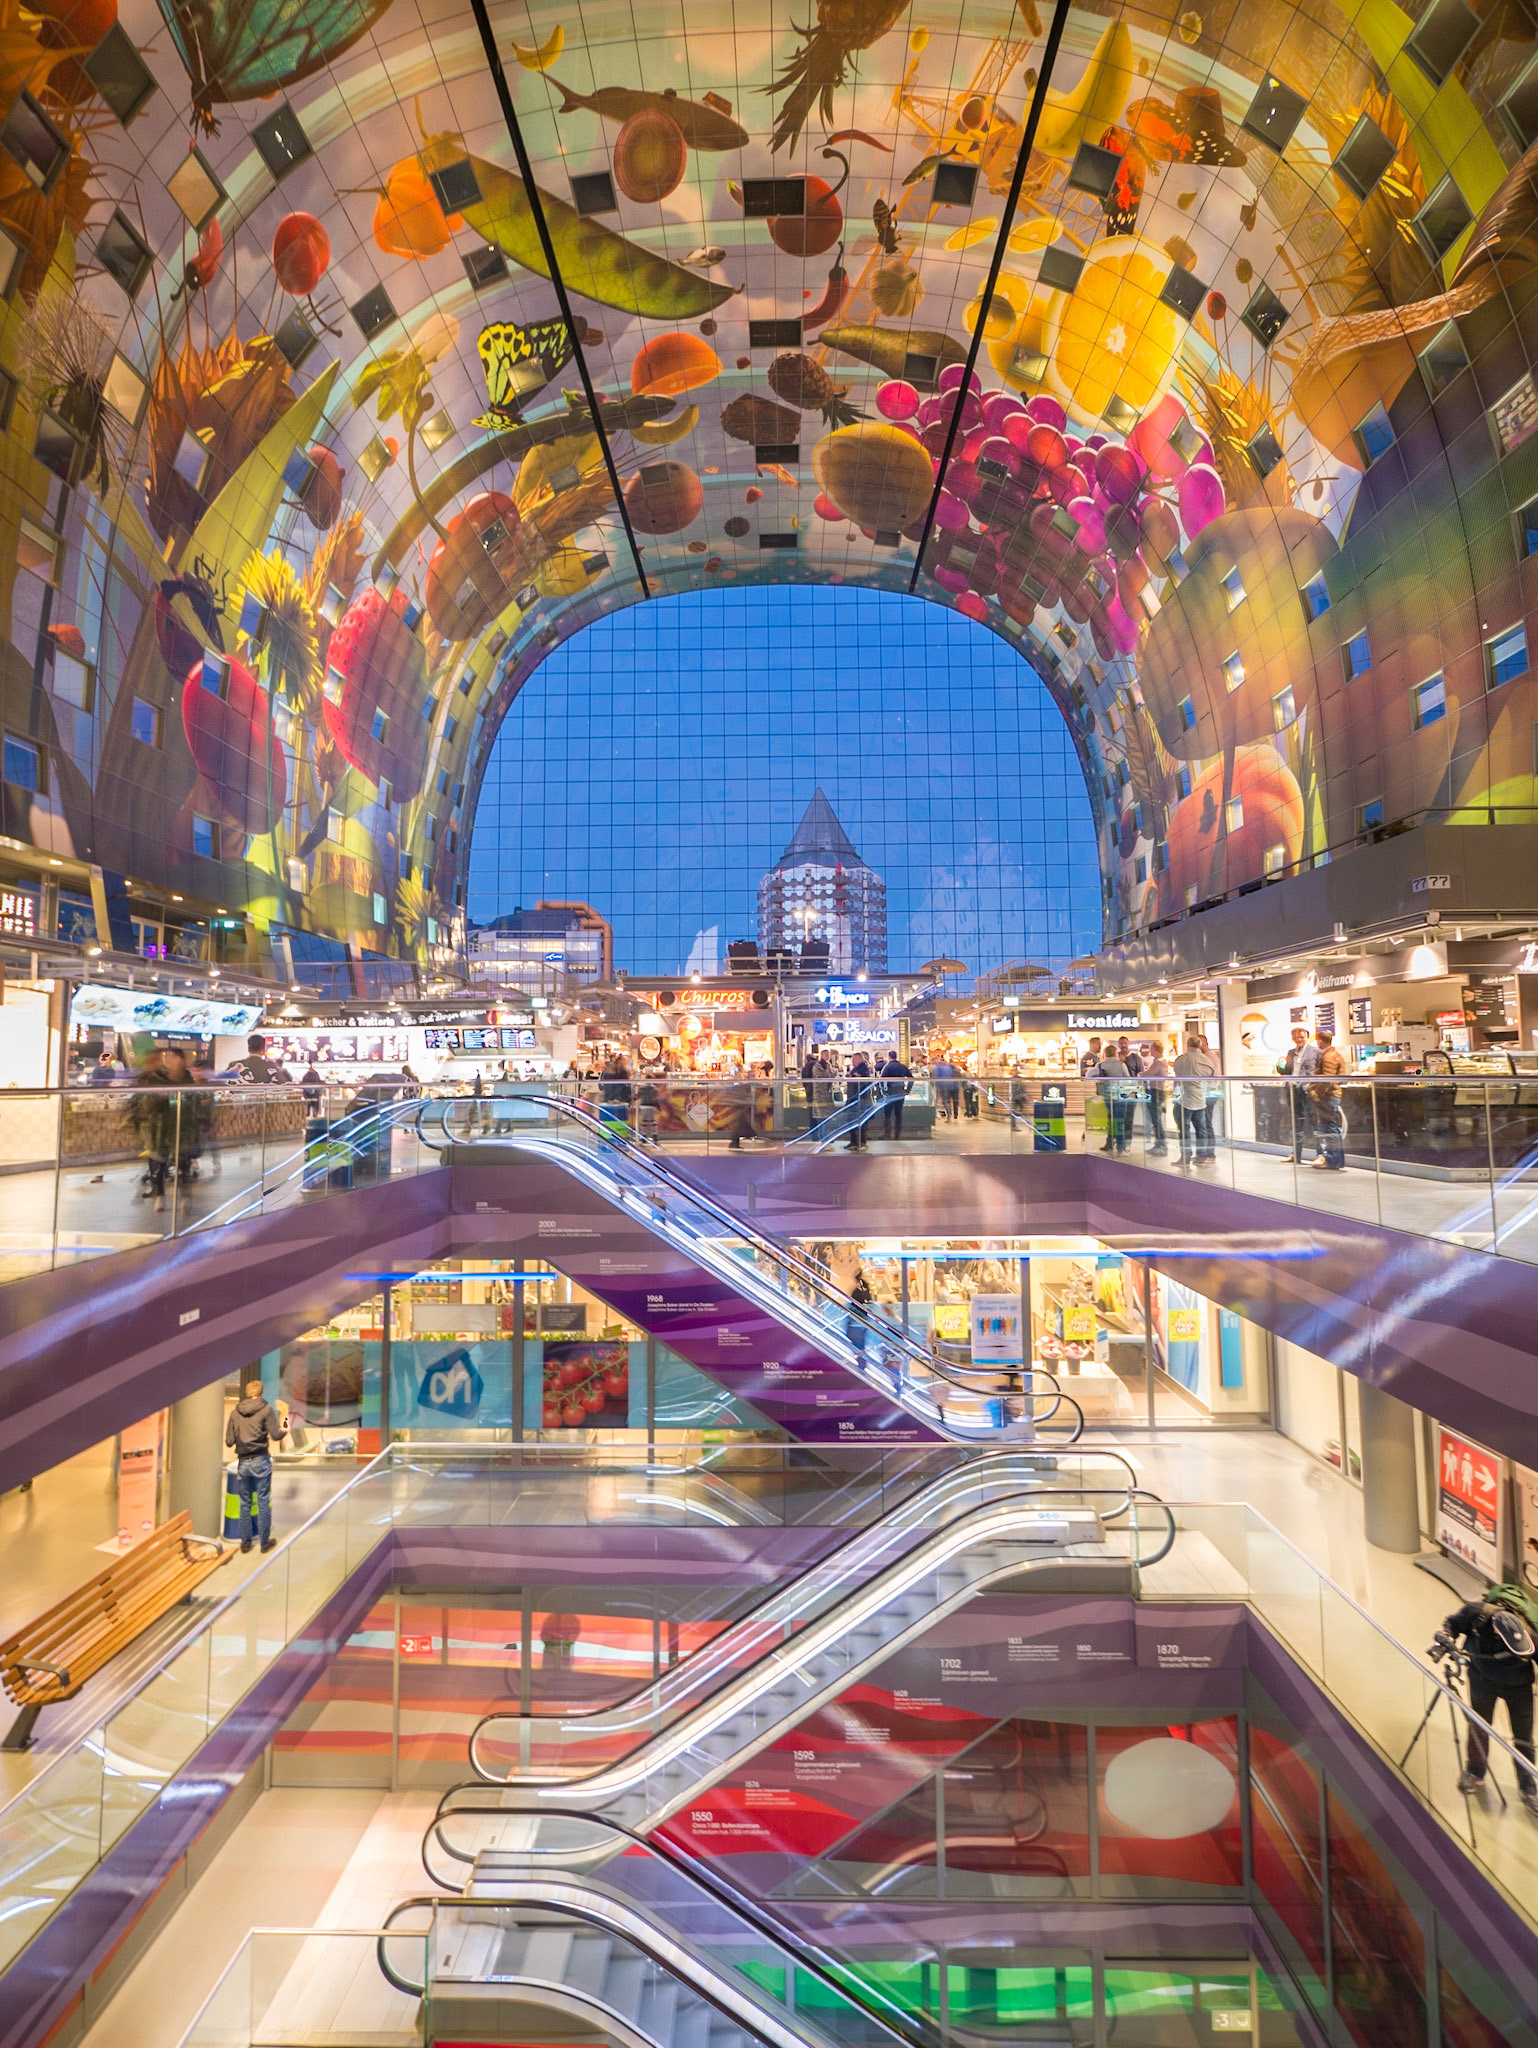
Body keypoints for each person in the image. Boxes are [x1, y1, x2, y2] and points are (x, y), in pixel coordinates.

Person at [1440, 1588, 1538, 1814]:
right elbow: (1452, 1624)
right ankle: (1475, 1771)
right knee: (1479, 1726)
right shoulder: (1476, 1613)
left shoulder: (1530, 1634)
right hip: (1481, 1677)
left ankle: (1528, 1787)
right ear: (1495, 1629)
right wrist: (1447, 1635)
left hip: (1519, 1687)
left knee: (1523, 1737)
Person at [225, 1379, 289, 1553]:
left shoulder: (234, 1413)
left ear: (247, 1393)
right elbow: (277, 1435)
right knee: (262, 1502)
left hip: (243, 1463)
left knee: (244, 1503)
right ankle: (264, 1543)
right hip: (261, 1461)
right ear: (260, 1393)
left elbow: (229, 1441)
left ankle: (245, 1543)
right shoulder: (266, 1410)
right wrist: (285, 1418)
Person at [1173, 1033, 1218, 1165]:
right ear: (1199, 1045)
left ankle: (1185, 1157)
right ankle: (1202, 1155)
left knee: (1184, 1129)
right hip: (1200, 1098)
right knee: (1202, 1129)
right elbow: (1212, 1075)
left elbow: (1177, 1075)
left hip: (1185, 1098)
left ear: (1188, 1045)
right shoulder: (1206, 1061)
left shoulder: (1181, 1060)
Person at [1308, 1030, 1348, 1170]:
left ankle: (1332, 1160)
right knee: (1331, 1128)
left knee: (1330, 1129)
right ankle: (1334, 1159)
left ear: (1320, 1041)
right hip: (1331, 1095)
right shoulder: (1334, 1055)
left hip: (1328, 1096)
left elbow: (1326, 1080)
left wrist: (1316, 1094)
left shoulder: (1328, 1057)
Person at [1280, 1026, 1315, 1163]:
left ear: (1307, 1037)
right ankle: (1296, 1154)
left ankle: (1320, 1155)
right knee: (1296, 1123)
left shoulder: (1314, 1052)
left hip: (1306, 1091)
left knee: (1313, 1123)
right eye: (1297, 1037)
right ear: (1293, 1038)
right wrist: (1280, 1066)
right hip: (1292, 1090)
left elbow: (1313, 1071)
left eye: (1302, 1036)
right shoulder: (1290, 1052)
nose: (1299, 1039)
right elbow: (1287, 1071)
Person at [1096, 1042, 1133, 1154]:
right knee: (1119, 1122)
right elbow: (1128, 1080)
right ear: (1115, 1053)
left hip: (1107, 1097)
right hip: (1120, 1097)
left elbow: (1091, 1076)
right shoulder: (1121, 1065)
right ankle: (1120, 1147)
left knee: (1111, 1120)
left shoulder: (1101, 1065)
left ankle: (1109, 1142)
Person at [877, 1051, 914, 1140]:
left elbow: (881, 1080)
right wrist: (907, 1090)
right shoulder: (903, 1066)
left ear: (889, 1057)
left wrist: (883, 1090)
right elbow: (911, 1079)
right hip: (900, 1091)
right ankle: (897, 1134)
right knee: (898, 1114)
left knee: (887, 1114)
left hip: (891, 1092)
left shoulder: (888, 1067)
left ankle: (887, 1134)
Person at [1142, 1043, 1170, 1155]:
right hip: (1157, 1092)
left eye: (1152, 1049)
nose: (1150, 1051)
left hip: (1156, 1092)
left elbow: (1147, 1074)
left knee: (1156, 1120)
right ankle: (1160, 1144)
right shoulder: (1160, 1062)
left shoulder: (1158, 1063)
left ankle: (1161, 1145)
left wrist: (1140, 1074)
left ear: (1157, 1050)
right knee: (1156, 1119)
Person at [844, 1052, 873, 1149]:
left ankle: (859, 1141)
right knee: (855, 1121)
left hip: (859, 1099)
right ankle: (856, 1141)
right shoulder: (860, 1069)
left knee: (857, 1121)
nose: (852, 1061)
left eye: (853, 1059)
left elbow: (862, 1083)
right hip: (856, 1099)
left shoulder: (862, 1069)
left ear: (858, 1059)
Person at [846, 1267, 875, 1353]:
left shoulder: (856, 1292)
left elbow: (853, 1305)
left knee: (857, 1344)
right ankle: (861, 1361)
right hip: (861, 1321)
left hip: (856, 1322)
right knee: (860, 1344)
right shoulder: (864, 1290)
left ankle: (860, 1361)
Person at [931, 1054, 961, 1122]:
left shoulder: (936, 1067)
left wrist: (932, 1084)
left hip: (940, 1084)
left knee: (936, 1100)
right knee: (946, 1101)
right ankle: (950, 1115)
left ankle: (935, 1115)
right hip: (949, 1084)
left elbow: (934, 1077)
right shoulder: (947, 1066)